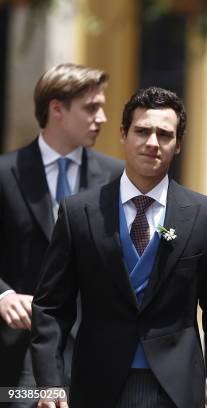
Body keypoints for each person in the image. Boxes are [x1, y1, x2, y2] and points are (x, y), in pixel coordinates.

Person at [30, 87, 207, 408]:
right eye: (142, 131)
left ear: (179, 144)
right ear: (123, 135)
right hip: (96, 384)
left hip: (176, 389)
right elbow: (51, 307)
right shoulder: (78, 213)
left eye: (164, 134)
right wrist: (50, 383)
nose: (152, 142)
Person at [0, 63, 123, 404]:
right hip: (18, 356)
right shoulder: (4, 173)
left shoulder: (116, 177)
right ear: (57, 109)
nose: (102, 118)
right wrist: (3, 297)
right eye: (91, 108)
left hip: (95, 353)